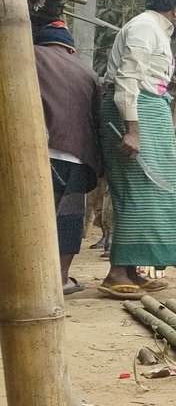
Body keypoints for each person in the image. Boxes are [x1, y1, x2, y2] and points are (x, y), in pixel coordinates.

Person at [96, 0, 176, 300]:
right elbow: (127, 79)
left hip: (150, 112)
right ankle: (116, 273)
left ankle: (132, 269)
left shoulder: (156, 31)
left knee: (152, 193)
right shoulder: (144, 28)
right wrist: (133, 130)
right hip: (135, 115)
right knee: (135, 191)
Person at [34, 22, 103, 295]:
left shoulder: (30, 55)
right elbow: (96, 119)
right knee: (69, 219)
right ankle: (61, 279)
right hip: (77, 158)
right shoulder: (88, 73)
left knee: (29, 218)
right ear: (70, 49)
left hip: (36, 153)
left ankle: (23, 280)